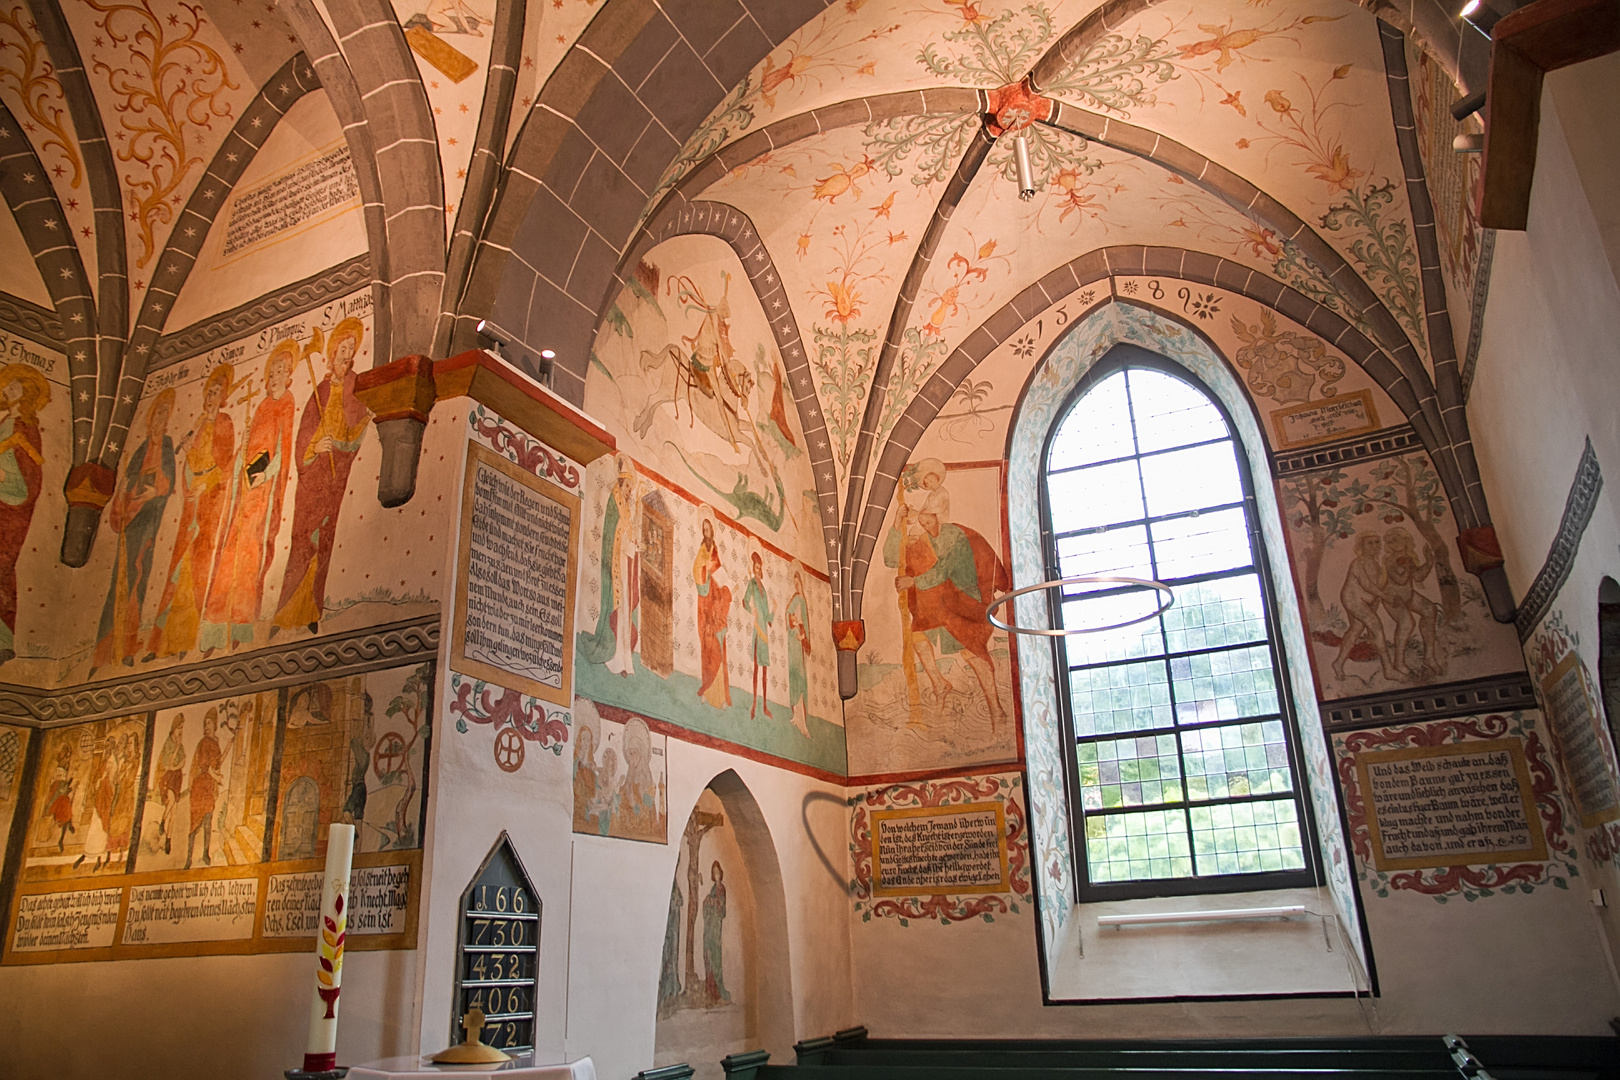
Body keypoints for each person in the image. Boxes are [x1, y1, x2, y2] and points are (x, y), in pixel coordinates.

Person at [273, 319, 372, 635]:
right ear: (331, 356)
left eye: (351, 351)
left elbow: (353, 433)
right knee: (303, 539)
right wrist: (317, 444)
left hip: (335, 477)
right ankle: (287, 610)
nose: (346, 356)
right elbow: (303, 436)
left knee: (325, 542)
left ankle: (312, 609)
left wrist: (353, 433)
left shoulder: (354, 390)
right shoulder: (321, 391)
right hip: (314, 478)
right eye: (342, 350)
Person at [200, 343, 296, 652]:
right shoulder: (261, 405)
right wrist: (242, 452)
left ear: (290, 376)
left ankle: (240, 626)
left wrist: (264, 476)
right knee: (229, 554)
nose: (276, 376)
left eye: (282, 371)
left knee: (250, 558)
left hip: (263, 494)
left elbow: (282, 450)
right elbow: (253, 447)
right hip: (245, 489)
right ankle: (215, 629)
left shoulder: (287, 403)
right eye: (273, 371)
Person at [886, 505, 1009, 730]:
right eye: (921, 524)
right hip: (940, 604)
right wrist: (896, 524)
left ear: (937, 516)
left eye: (927, 522)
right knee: (918, 636)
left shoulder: (956, 536)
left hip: (965, 602)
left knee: (972, 653)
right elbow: (890, 558)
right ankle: (939, 683)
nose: (925, 527)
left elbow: (944, 569)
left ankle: (996, 710)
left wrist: (913, 582)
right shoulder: (922, 542)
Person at [148, 363, 236, 660]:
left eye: (217, 392)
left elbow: (225, 464)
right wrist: (190, 475)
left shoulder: (224, 423)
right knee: (177, 566)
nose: (212, 396)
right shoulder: (198, 428)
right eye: (209, 391)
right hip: (192, 504)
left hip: (211, 504)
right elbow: (189, 466)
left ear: (224, 398)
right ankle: (161, 643)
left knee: (198, 567)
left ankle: (185, 640)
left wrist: (205, 483)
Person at [93, 390, 176, 670]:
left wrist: (156, 491)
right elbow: (126, 484)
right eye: (157, 413)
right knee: (120, 580)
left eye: (164, 413)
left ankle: (126, 648)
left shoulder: (166, 445)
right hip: (131, 520)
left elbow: (169, 483)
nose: (159, 418)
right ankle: (104, 650)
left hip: (148, 523)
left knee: (137, 579)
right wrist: (124, 499)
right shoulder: (140, 449)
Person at [0, 364, 47, 665]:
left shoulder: (27, 428)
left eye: (15, 385)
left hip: (8, 510)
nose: (8, 388)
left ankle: (2, 640)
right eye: (8, 385)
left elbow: (30, 480)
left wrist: (4, 477)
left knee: (2, 568)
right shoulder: (5, 422)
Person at [577, 457, 639, 675]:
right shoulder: (614, 503)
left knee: (624, 613)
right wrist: (628, 542)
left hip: (622, 565)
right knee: (612, 608)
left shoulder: (627, 510)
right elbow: (611, 534)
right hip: (612, 564)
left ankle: (623, 659)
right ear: (621, 483)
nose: (630, 491)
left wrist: (634, 545)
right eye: (628, 486)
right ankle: (611, 656)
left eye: (632, 488)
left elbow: (627, 536)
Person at [1332, 532, 1399, 682]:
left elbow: (1376, 587)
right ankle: (1388, 669)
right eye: (1370, 543)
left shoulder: (1375, 564)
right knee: (1377, 628)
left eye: (1376, 542)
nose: (1374, 546)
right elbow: (1366, 584)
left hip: (1363, 601)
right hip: (1353, 600)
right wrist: (1385, 596)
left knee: (1355, 630)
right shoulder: (1358, 563)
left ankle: (1338, 663)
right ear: (1361, 546)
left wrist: (1376, 602)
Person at [1382, 527, 1442, 678]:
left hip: (1408, 595)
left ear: (1404, 539)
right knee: (1407, 623)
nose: (1393, 544)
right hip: (1393, 598)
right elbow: (1400, 580)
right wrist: (1408, 566)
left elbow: (1418, 577)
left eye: (1395, 540)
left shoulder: (1408, 557)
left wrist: (1429, 561)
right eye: (1389, 542)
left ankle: (1429, 657)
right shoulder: (1389, 560)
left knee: (1430, 609)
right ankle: (1399, 662)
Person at [693, 518, 732, 708]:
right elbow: (696, 571)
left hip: (716, 608)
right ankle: (707, 691)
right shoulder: (702, 551)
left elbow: (721, 577)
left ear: (712, 532)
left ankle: (721, 696)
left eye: (708, 530)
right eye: (704, 530)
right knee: (707, 650)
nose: (706, 533)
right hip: (706, 608)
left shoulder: (714, 552)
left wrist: (725, 591)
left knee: (719, 649)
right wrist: (705, 570)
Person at [184, 709, 224, 869]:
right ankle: (188, 859)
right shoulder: (204, 743)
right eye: (204, 723)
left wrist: (216, 778)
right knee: (195, 823)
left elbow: (216, 765)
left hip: (210, 787)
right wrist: (217, 778)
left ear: (215, 724)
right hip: (200, 786)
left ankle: (205, 853)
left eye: (209, 723)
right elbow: (204, 766)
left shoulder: (216, 743)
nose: (206, 726)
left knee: (208, 821)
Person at [742, 553, 773, 720]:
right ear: (753, 569)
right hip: (757, 629)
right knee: (756, 668)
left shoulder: (764, 591)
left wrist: (773, 612)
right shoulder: (752, 584)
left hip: (765, 632)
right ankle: (754, 704)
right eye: (756, 568)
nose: (758, 571)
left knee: (765, 670)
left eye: (760, 568)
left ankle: (765, 706)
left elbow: (767, 615)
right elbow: (744, 601)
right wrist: (751, 610)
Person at [152, 715, 186, 854]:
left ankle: (168, 840)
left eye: (182, 728)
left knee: (174, 813)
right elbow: (168, 763)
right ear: (174, 728)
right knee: (171, 800)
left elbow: (183, 761)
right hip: (167, 778)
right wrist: (177, 747)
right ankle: (161, 822)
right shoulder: (169, 744)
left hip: (177, 777)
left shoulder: (181, 745)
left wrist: (176, 766)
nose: (181, 731)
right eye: (179, 728)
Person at [785, 572, 811, 736]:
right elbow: (788, 614)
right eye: (794, 584)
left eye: (798, 583)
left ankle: (802, 718)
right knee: (797, 678)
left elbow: (806, 625)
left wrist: (805, 639)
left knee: (802, 680)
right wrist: (795, 629)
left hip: (801, 644)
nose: (797, 587)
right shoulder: (795, 600)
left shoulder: (803, 602)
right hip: (794, 645)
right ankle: (796, 715)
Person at [701, 860, 730, 1004]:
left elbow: (721, 908)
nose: (716, 875)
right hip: (709, 927)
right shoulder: (713, 888)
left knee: (715, 956)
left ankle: (717, 990)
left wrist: (712, 901)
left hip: (715, 928)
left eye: (718, 872)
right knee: (708, 955)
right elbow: (710, 904)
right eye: (714, 873)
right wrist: (707, 901)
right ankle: (709, 988)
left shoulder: (721, 889)